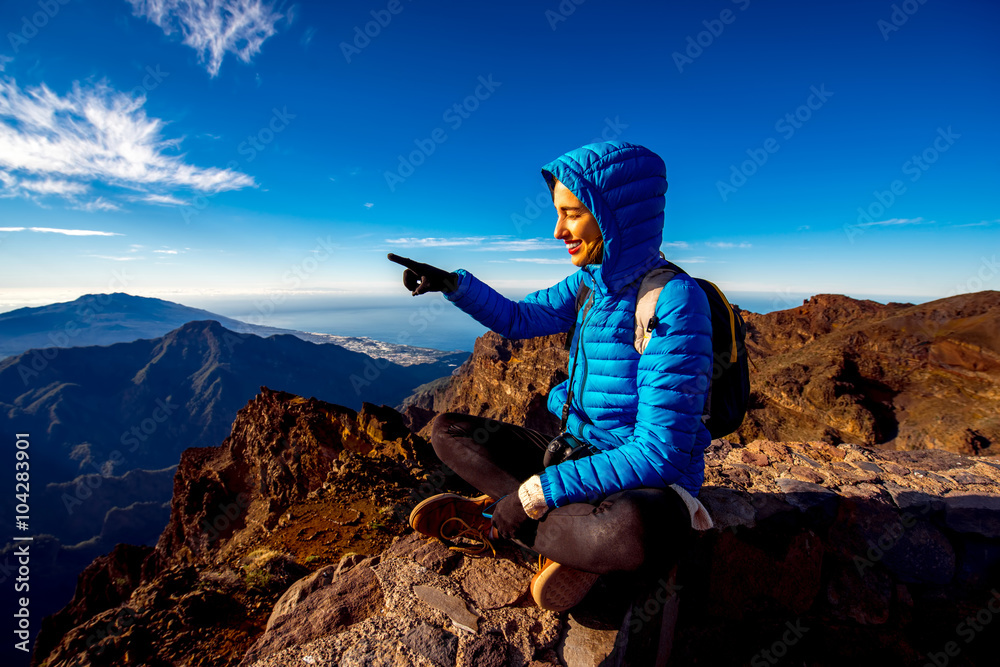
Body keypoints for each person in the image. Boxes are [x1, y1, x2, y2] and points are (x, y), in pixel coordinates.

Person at [387, 140, 714, 612]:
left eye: (572, 213)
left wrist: (532, 495)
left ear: (615, 215)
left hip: (642, 481)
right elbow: (520, 319)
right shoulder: (588, 284)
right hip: (574, 454)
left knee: (628, 531)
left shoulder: (674, 302)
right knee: (448, 432)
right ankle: (559, 544)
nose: (558, 229)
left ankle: (501, 523)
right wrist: (454, 286)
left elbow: (658, 454)